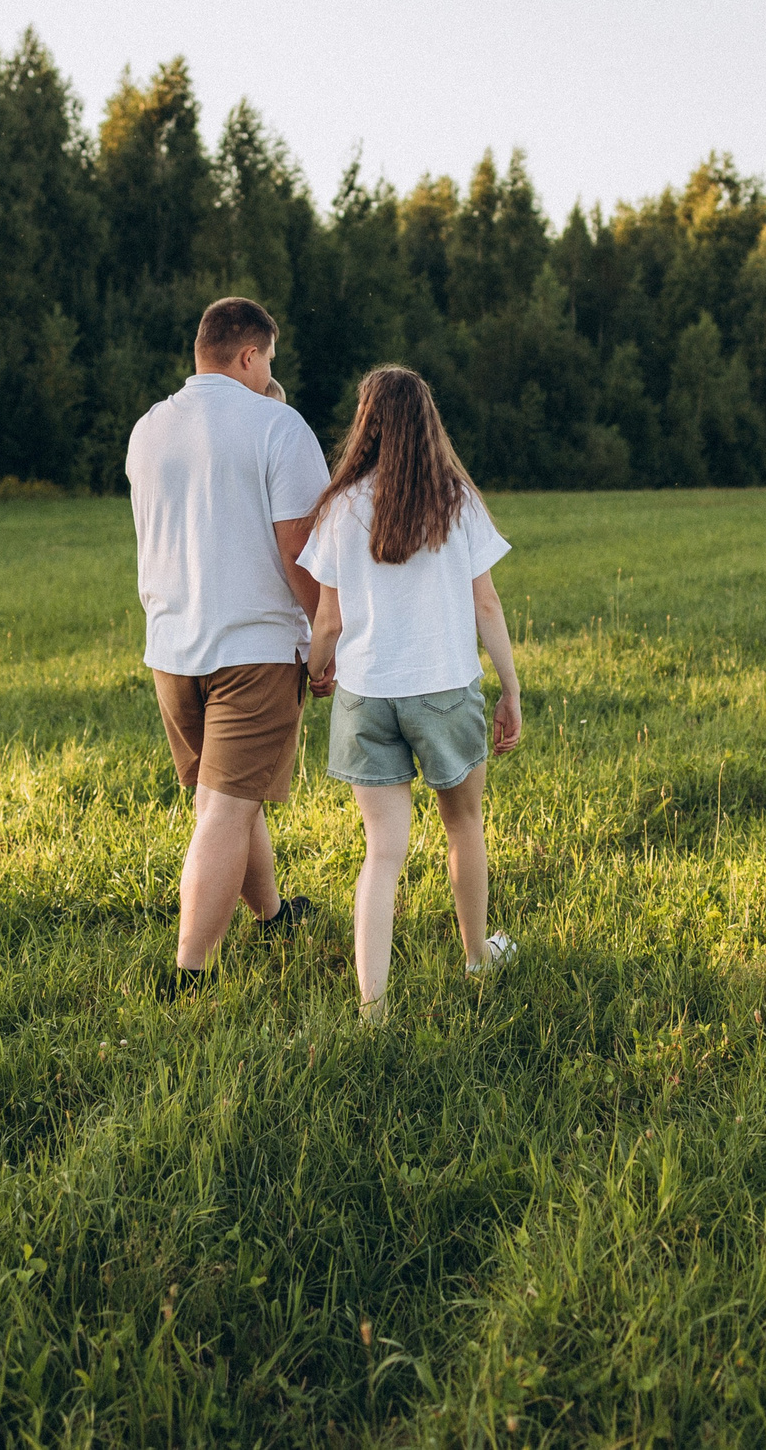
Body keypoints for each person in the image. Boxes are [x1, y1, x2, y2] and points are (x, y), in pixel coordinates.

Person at [296, 366, 524, 1023]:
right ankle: (477, 957)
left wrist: (317, 669)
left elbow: (330, 621)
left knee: (383, 852)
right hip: (445, 690)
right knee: (464, 826)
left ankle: (373, 1010)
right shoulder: (458, 501)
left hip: (367, 695)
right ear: (429, 423)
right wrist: (510, 686)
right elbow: (485, 603)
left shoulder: (339, 508)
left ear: (366, 424)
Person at [126, 297, 332, 994]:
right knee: (224, 808)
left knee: (225, 799)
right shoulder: (279, 425)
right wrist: (326, 639)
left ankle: (273, 915)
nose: (269, 369)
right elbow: (301, 550)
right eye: (268, 358)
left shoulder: (149, 428)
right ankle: (190, 973)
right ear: (250, 355)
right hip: (254, 649)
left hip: (171, 648)